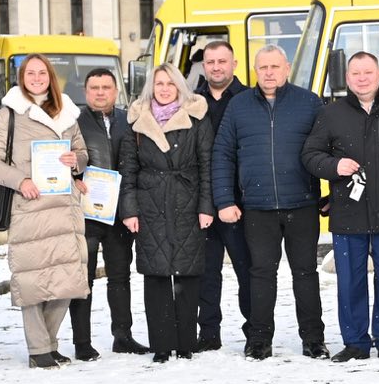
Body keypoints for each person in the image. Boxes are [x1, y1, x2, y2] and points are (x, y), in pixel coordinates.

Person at [213, 47, 326, 359]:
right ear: (255, 70)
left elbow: (329, 149)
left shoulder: (309, 102)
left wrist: (333, 195)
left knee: (305, 273)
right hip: (257, 206)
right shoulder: (239, 106)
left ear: (287, 67)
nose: (269, 73)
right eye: (263, 67)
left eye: (275, 66)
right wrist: (224, 200)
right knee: (261, 274)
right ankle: (259, 340)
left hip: (301, 203)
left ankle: (314, 339)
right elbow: (223, 154)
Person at [0, 54, 91, 369]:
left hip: (65, 208)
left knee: (67, 279)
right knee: (33, 281)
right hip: (30, 207)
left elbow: (82, 152)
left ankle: (50, 343)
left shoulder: (67, 112)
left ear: (50, 77)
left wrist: (76, 161)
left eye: (42, 72)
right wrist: (21, 181)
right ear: (22, 77)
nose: (37, 78)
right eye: (30, 73)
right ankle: (38, 348)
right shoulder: (9, 114)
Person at [306, 51, 379, 363]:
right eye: (356, 73)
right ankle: (355, 342)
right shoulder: (331, 114)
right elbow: (310, 155)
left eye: (368, 72)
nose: (362, 78)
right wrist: (334, 166)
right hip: (347, 212)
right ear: (347, 78)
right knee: (350, 281)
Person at [119, 64, 214, 363]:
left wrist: (206, 207)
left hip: (187, 200)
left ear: (179, 87)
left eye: (170, 83)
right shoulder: (137, 120)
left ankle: (185, 343)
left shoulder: (197, 117)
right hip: (150, 203)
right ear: (151, 86)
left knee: (187, 273)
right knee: (156, 274)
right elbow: (128, 170)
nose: (164, 89)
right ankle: (161, 344)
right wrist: (129, 210)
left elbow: (206, 166)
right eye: (159, 83)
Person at [71, 66, 142, 359]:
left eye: (106, 87)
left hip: (120, 211)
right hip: (87, 212)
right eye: (94, 88)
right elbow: (65, 159)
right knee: (82, 279)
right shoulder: (74, 122)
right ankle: (82, 342)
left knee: (120, 276)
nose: (100, 93)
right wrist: (74, 178)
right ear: (86, 92)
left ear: (115, 90)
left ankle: (122, 336)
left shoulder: (130, 120)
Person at [194, 40, 251, 351]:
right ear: (204, 66)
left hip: (239, 202)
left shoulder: (249, 99)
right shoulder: (192, 102)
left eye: (222, 61)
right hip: (202, 201)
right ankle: (208, 333)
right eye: (210, 62)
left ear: (234, 64)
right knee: (206, 272)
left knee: (247, 270)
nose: (216, 67)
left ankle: (254, 332)